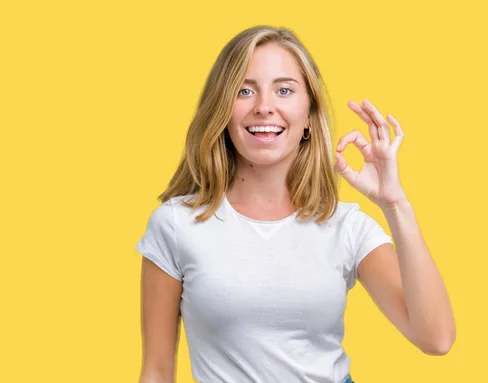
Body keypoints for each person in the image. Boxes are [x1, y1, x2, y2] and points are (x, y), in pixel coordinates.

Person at [135, 25, 455, 383]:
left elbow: (436, 339)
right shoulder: (176, 224)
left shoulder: (347, 226)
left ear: (308, 116)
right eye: (244, 90)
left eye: (284, 90)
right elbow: (158, 370)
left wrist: (395, 204)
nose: (264, 107)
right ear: (222, 111)